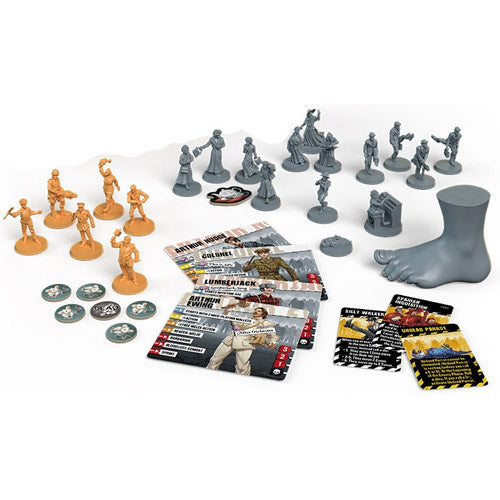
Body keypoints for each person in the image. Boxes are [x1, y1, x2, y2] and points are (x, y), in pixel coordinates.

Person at [207, 307, 279, 375]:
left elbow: (273, 335)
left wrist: (273, 342)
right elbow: (233, 319)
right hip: (230, 340)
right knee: (214, 360)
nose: (255, 312)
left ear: (263, 314)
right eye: (255, 310)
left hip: (246, 344)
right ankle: (209, 374)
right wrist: (227, 311)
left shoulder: (265, 323)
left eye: (258, 311)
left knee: (242, 367)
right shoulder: (245, 319)